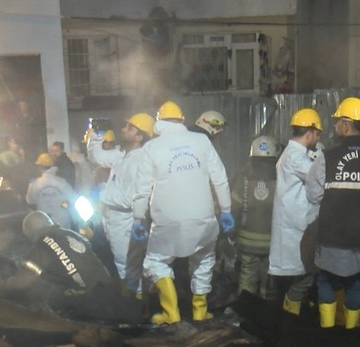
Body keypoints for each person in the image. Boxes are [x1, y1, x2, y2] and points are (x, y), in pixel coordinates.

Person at [133, 100, 234, 325]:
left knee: (155, 262)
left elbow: (142, 188)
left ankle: (171, 313)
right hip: (204, 218)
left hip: (167, 221)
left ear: (159, 122)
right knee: (204, 259)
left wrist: (138, 218)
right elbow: (219, 177)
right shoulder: (201, 141)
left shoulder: (152, 148)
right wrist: (226, 210)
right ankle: (200, 311)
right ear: (182, 120)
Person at [305, 97, 360, 329]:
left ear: (346, 124)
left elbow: (313, 194)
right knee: (355, 282)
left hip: (333, 233)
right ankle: (351, 333)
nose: (334, 128)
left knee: (326, 281)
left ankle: (328, 333)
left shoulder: (328, 156)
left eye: (337, 122)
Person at [0, 211, 140, 324]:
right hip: (109, 291)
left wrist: (1, 286)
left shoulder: (41, 245)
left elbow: (25, 280)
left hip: (88, 300)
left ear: (30, 233)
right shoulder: (71, 234)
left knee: (49, 298)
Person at [87, 113, 156, 298]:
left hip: (125, 223)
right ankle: (133, 301)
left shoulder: (140, 161)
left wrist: (102, 195)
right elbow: (96, 156)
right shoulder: (123, 154)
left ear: (140, 136)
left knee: (127, 266)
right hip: (114, 219)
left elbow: (129, 200)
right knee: (124, 265)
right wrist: (96, 134)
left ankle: (136, 305)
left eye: (129, 128)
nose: (123, 129)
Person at [268, 108, 323, 315]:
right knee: (304, 273)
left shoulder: (293, 154)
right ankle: (290, 314)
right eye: (317, 134)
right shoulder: (296, 157)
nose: (317, 139)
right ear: (309, 133)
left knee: (297, 273)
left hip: (294, 223)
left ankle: (288, 312)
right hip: (296, 225)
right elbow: (319, 179)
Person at [231, 135, 279, 300]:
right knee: (270, 281)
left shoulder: (243, 179)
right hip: (272, 243)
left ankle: (245, 312)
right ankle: (267, 315)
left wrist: (231, 233)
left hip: (247, 242)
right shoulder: (280, 180)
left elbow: (234, 208)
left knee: (247, 278)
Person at [26, 153, 76, 229]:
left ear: (40, 167)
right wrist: (63, 205)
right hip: (63, 223)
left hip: (45, 225)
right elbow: (73, 199)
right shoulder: (62, 182)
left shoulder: (35, 184)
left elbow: (30, 201)